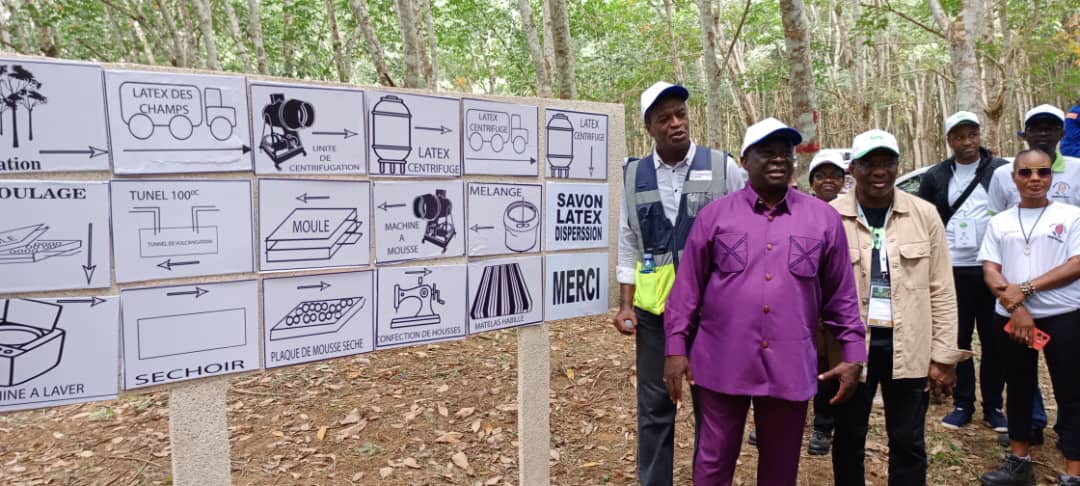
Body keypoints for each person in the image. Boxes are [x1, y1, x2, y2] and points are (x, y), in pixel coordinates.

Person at [663, 118, 867, 485]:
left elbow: (841, 296)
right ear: (744, 159)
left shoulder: (822, 219)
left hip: (790, 364)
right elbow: (687, 289)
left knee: (780, 464)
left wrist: (853, 353)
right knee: (713, 460)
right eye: (766, 152)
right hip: (721, 361)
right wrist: (675, 349)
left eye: (785, 153)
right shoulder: (715, 216)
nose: (778, 160)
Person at [611, 81, 744, 486]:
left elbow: (748, 230)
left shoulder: (724, 167)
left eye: (681, 115)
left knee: (712, 406)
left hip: (712, 311)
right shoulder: (634, 174)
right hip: (656, 313)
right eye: (664, 118)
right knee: (654, 408)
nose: (676, 124)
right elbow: (628, 239)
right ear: (649, 128)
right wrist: (626, 303)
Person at [830, 129, 969, 486]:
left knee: (908, 441)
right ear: (852, 169)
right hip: (850, 350)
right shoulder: (829, 217)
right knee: (848, 438)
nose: (880, 171)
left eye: (887, 163)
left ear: (897, 166)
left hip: (909, 347)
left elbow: (942, 288)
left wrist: (942, 356)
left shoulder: (923, 214)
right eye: (869, 164)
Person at [978, 149, 1080, 486]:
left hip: (1062, 314)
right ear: (1014, 178)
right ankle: (1019, 462)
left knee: (1071, 392)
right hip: (1009, 317)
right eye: (1025, 173)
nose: (1034, 179)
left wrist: (1024, 289)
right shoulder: (999, 221)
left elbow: (1075, 264)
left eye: (1042, 172)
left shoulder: (1072, 215)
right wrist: (1015, 307)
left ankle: (1073, 472)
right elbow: (991, 269)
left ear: (1051, 176)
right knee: (1018, 387)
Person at [916, 111, 1009, 432]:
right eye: (959, 136)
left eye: (972, 134)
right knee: (958, 339)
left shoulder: (1000, 170)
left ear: (980, 135)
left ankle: (994, 405)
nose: (967, 141)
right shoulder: (936, 176)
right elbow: (926, 220)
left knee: (993, 338)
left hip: (992, 268)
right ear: (949, 140)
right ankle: (963, 403)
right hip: (952, 268)